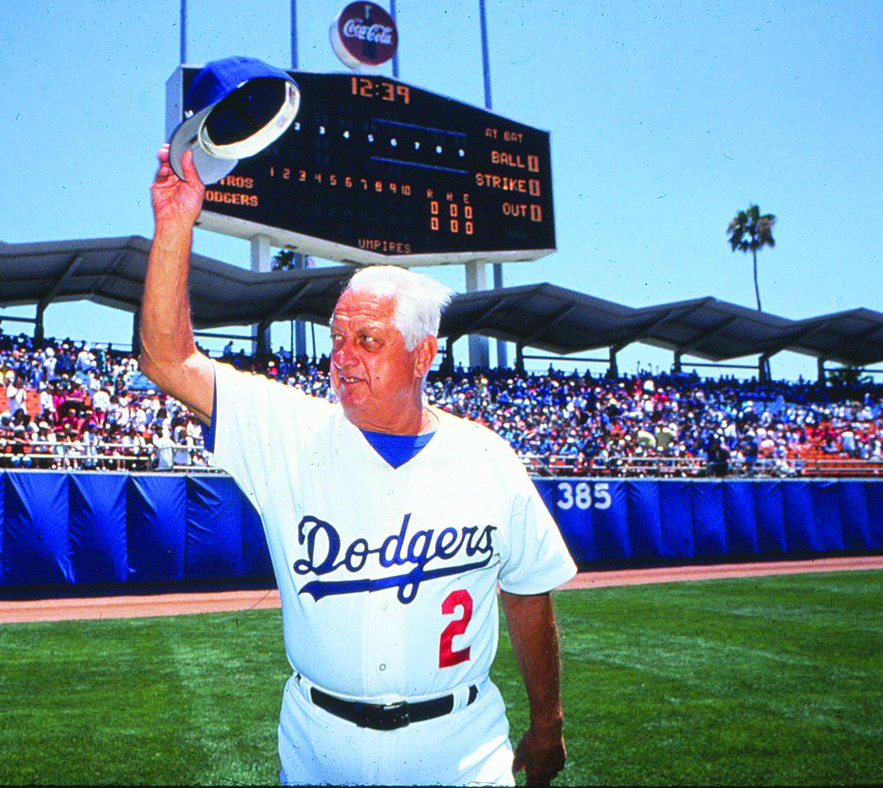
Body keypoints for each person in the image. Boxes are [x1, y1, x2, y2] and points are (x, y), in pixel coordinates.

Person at [139, 144, 577, 786]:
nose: (343, 356)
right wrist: (175, 223)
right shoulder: (287, 430)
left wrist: (549, 727)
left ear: (422, 353)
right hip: (322, 746)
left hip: (460, 748)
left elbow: (528, 597)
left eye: (368, 341)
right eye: (337, 337)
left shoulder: (487, 457)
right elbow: (167, 361)